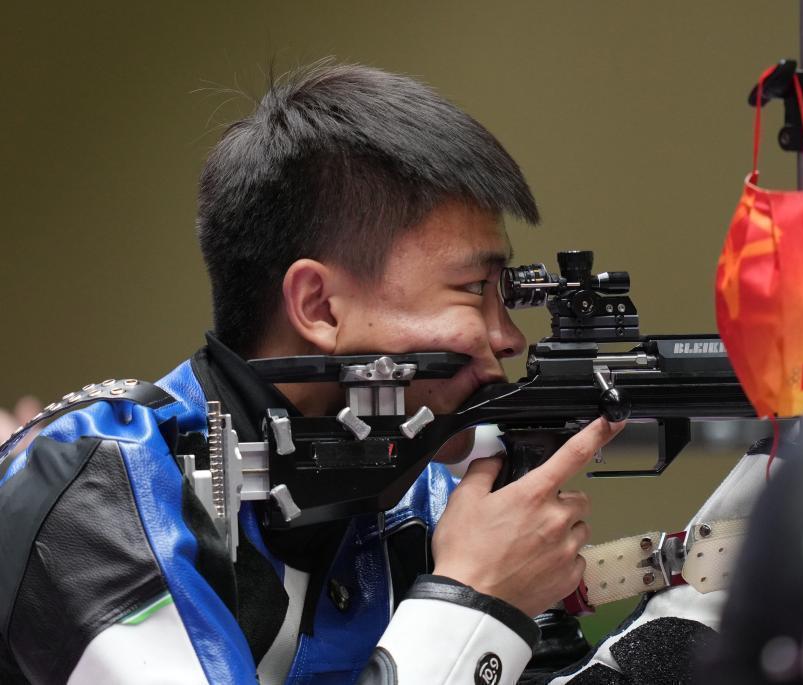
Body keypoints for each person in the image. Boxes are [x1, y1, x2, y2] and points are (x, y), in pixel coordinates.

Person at [0, 62, 625, 684]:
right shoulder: (95, 489)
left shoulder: (416, 497)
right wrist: (475, 598)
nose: (509, 338)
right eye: (473, 289)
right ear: (319, 307)